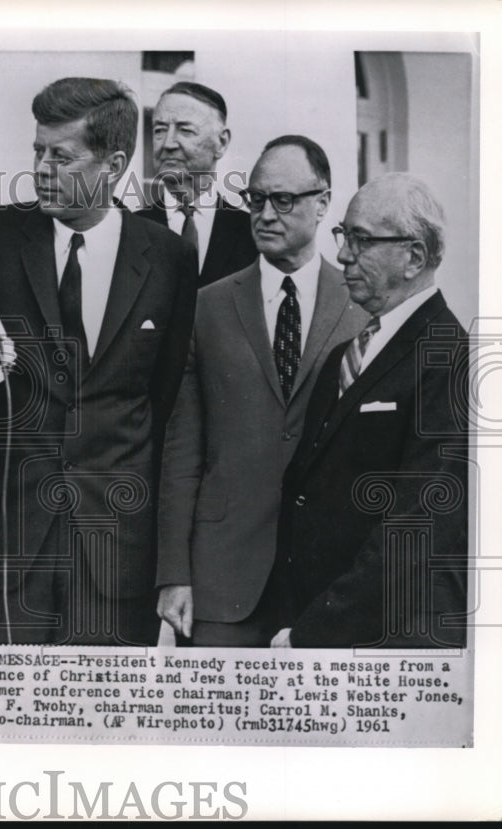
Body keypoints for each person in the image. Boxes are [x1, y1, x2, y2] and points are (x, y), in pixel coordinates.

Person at [0, 77, 198, 646]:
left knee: (107, 719)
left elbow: (169, 400)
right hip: (6, 538)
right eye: (37, 152)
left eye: (61, 156)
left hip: (117, 546)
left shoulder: (168, 258)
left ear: (114, 163)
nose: (41, 169)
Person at [157, 135, 367, 646]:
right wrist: (173, 574)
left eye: (284, 200)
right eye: (256, 200)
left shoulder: (361, 310)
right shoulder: (208, 307)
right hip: (221, 576)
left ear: (323, 203)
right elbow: (182, 451)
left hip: (324, 579)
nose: (265, 214)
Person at [273, 173, 468, 649]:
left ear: (414, 257)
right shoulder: (345, 356)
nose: (342, 255)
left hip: (390, 639)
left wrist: (312, 632)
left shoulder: (450, 358)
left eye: (361, 240)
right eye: (343, 236)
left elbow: (416, 529)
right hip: (325, 623)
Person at [136, 81, 257, 287]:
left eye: (185, 130)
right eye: (159, 130)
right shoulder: (129, 231)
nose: (168, 144)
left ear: (222, 143)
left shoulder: (253, 235)